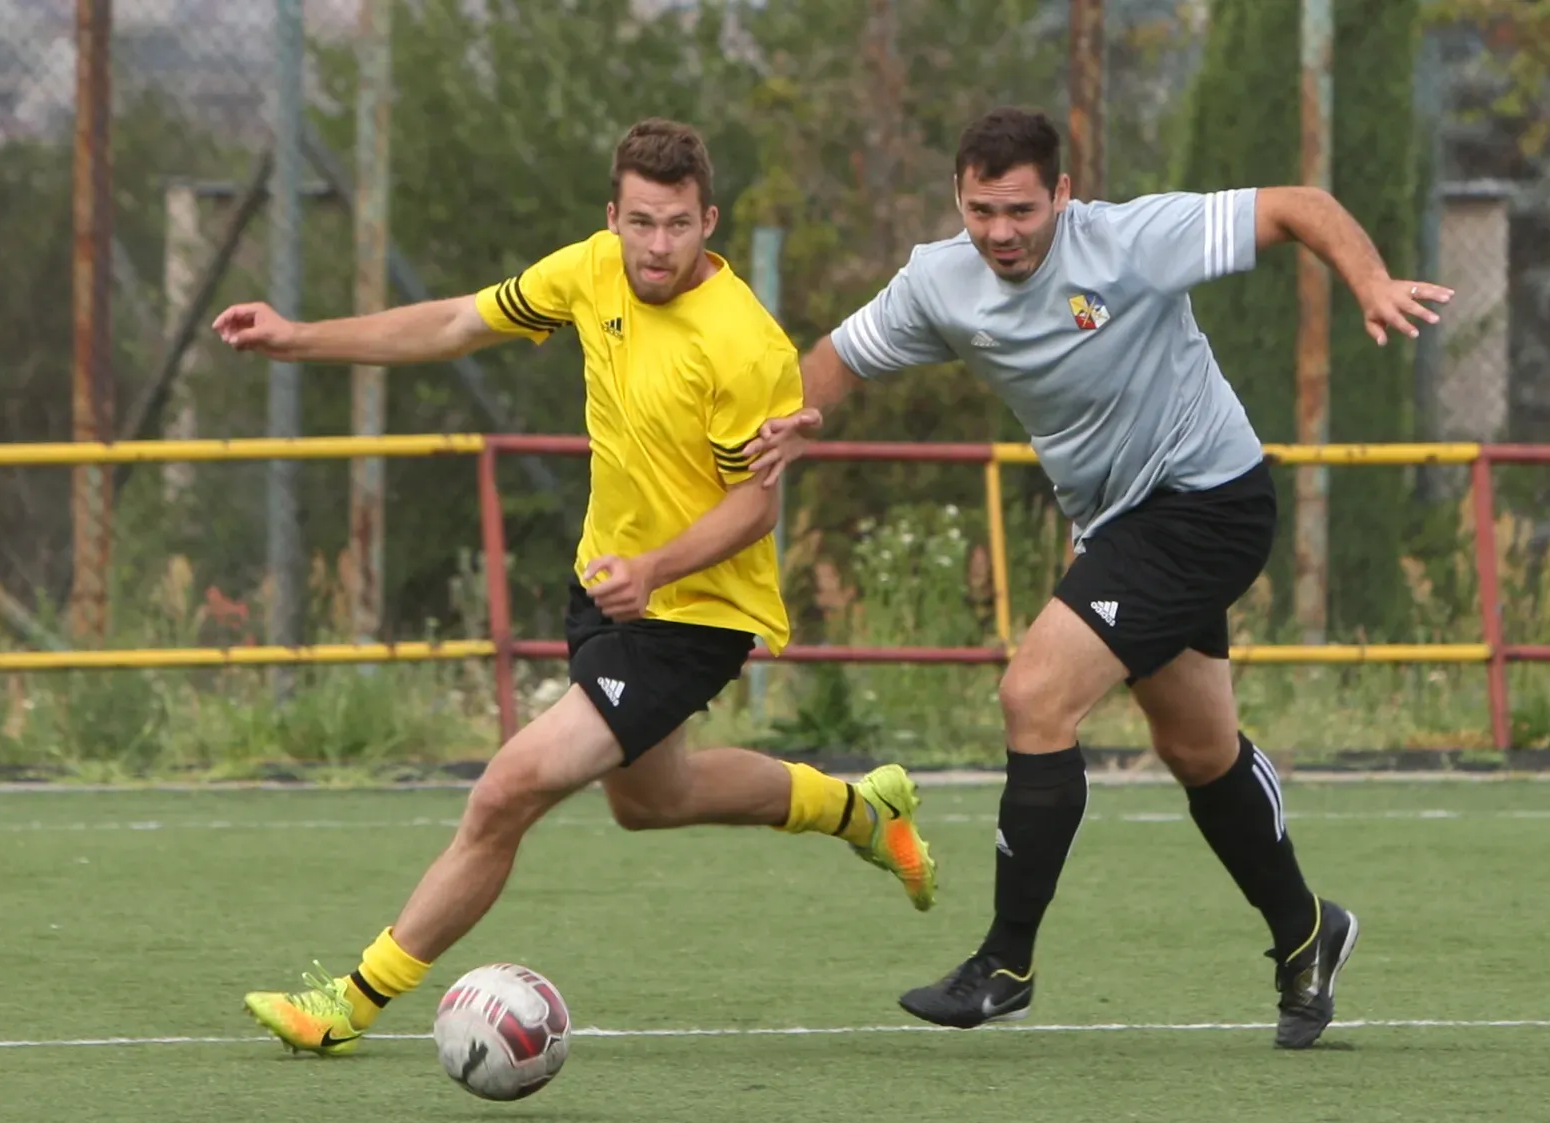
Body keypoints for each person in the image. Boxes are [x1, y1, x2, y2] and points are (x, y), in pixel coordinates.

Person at [212, 118, 937, 1054]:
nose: (657, 246)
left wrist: (655, 568)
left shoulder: (744, 344)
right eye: (640, 222)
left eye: (677, 224)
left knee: (506, 789)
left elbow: (754, 510)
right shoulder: (590, 271)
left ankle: (347, 1005)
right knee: (654, 799)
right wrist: (297, 338)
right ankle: (862, 811)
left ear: (708, 221)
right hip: (608, 585)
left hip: (694, 611)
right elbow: (456, 322)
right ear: (612, 217)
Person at [743, 106, 1454, 1049]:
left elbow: (1298, 205)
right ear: (957, 197)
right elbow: (841, 355)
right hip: (1119, 525)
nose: (1000, 232)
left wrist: (1368, 282)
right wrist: (797, 421)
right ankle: (1307, 930)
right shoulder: (939, 280)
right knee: (1197, 748)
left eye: (1021, 210)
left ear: (1063, 195)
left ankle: (1005, 962)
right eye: (980, 210)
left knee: (1033, 696)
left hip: (1208, 503)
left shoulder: (1129, 242)